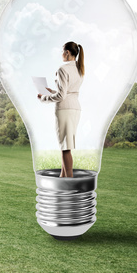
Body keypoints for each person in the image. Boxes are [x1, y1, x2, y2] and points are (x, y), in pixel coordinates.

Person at [37, 41, 85, 177]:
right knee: (66, 146)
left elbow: (61, 96)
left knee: (65, 148)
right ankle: (62, 178)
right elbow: (68, 91)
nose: (62, 54)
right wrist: (52, 91)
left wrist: (44, 98)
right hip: (75, 108)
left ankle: (69, 181)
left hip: (64, 109)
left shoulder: (63, 69)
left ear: (67, 52)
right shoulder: (80, 68)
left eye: (62, 51)